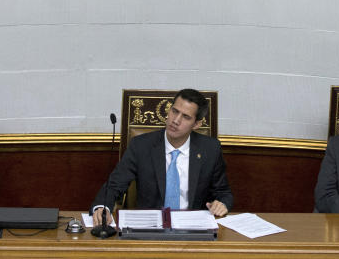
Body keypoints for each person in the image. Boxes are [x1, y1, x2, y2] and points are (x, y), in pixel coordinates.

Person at [91, 88, 233, 227]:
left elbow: (223, 192)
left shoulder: (210, 149)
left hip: (192, 228)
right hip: (150, 229)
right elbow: (115, 184)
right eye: (174, 111)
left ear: (197, 124)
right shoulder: (141, 146)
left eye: (186, 117)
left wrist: (222, 204)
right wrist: (103, 207)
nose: (176, 120)